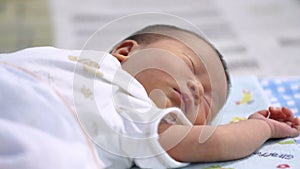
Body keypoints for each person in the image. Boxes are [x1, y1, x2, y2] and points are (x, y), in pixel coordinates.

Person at [0, 24, 299, 169]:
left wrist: (264, 128)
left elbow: (216, 142)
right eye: (191, 66)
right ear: (126, 52)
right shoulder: (89, 65)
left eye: (207, 103)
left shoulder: (137, 110)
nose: (196, 88)